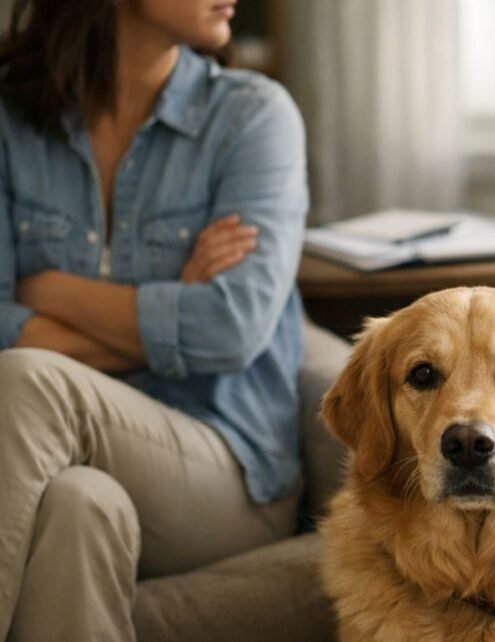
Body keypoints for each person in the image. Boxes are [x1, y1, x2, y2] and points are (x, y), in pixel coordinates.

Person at [0, 0, 308, 639]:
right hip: (72, 460)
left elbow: (231, 326)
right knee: (81, 504)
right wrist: (171, 306)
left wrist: (47, 289)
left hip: (226, 463)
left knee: (26, 378)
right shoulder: (10, 122)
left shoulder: (253, 117)